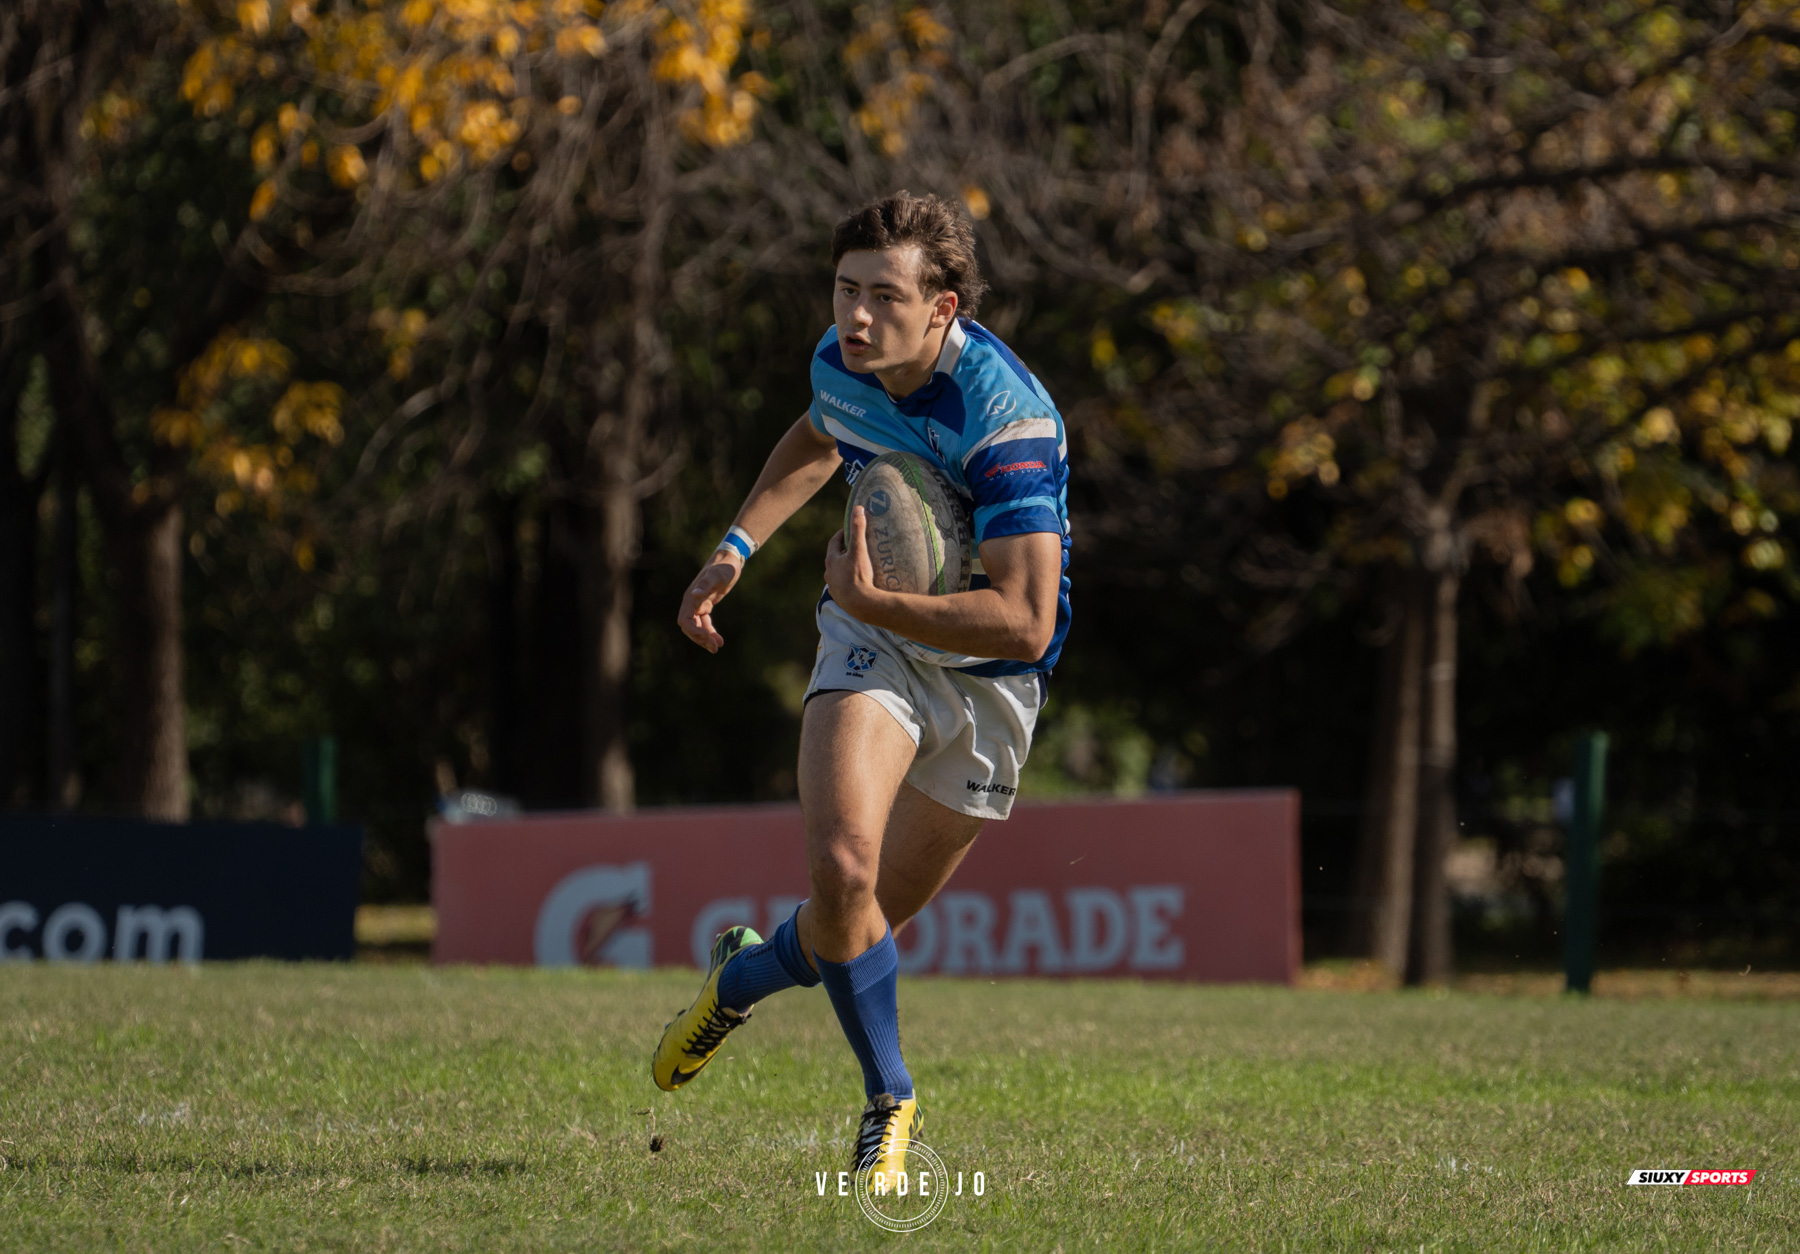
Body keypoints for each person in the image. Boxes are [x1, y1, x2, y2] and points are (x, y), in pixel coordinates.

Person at [652, 191, 1072, 1185]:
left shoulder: (1009, 425)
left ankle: (743, 975)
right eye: (845, 290)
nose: (855, 317)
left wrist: (879, 603)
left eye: (884, 296)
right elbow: (816, 435)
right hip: (869, 635)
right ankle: (891, 1097)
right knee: (843, 871)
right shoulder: (843, 362)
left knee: (861, 915)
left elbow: (1027, 620)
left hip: (990, 680)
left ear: (944, 309)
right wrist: (736, 548)